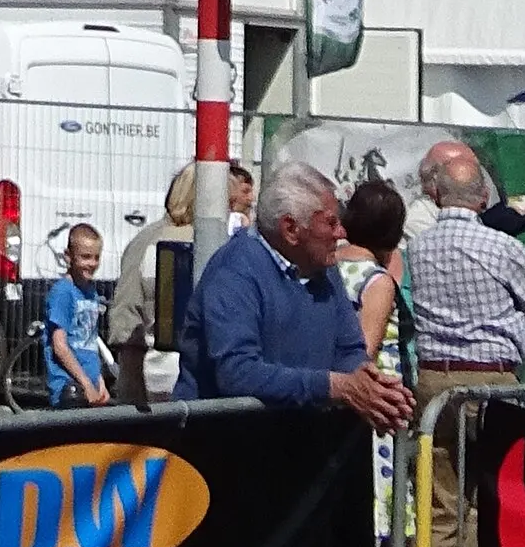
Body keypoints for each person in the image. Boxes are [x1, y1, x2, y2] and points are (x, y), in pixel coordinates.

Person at [407, 142, 525, 547]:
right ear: (484, 195)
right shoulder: (504, 248)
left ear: (436, 193)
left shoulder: (418, 247)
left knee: (442, 514)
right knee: (501, 509)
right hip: (493, 382)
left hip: (434, 382)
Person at [175, 157, 410, 426]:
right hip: (228, 444)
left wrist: (370, 384)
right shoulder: (234, 271)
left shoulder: (323, 268)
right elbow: (237, 372)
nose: (341, 232)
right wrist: (333, 386)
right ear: (291, 229)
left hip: (302, 443)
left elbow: (349, 350)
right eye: (331, 223)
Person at [337, 179, 414, 547]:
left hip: (340, 400)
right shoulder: (376, 281)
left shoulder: (326, 270)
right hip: (375, 401)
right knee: (384, 515)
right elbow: (365, 349)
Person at [107, 168, 195, 407]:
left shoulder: (150, 238)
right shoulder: (162, 243)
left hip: (151, 364)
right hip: (149, 361)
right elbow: (127, 307)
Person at [43, 224, 112, 406]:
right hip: (69, 386)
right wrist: (86, 384)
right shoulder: (63, 292)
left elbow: (90, 339)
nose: (92, 263)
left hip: (90, 383)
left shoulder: (91, 292)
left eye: (97, 257)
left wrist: (99, 382)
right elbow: (60, 346)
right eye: (86, 257)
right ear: (68, 257)